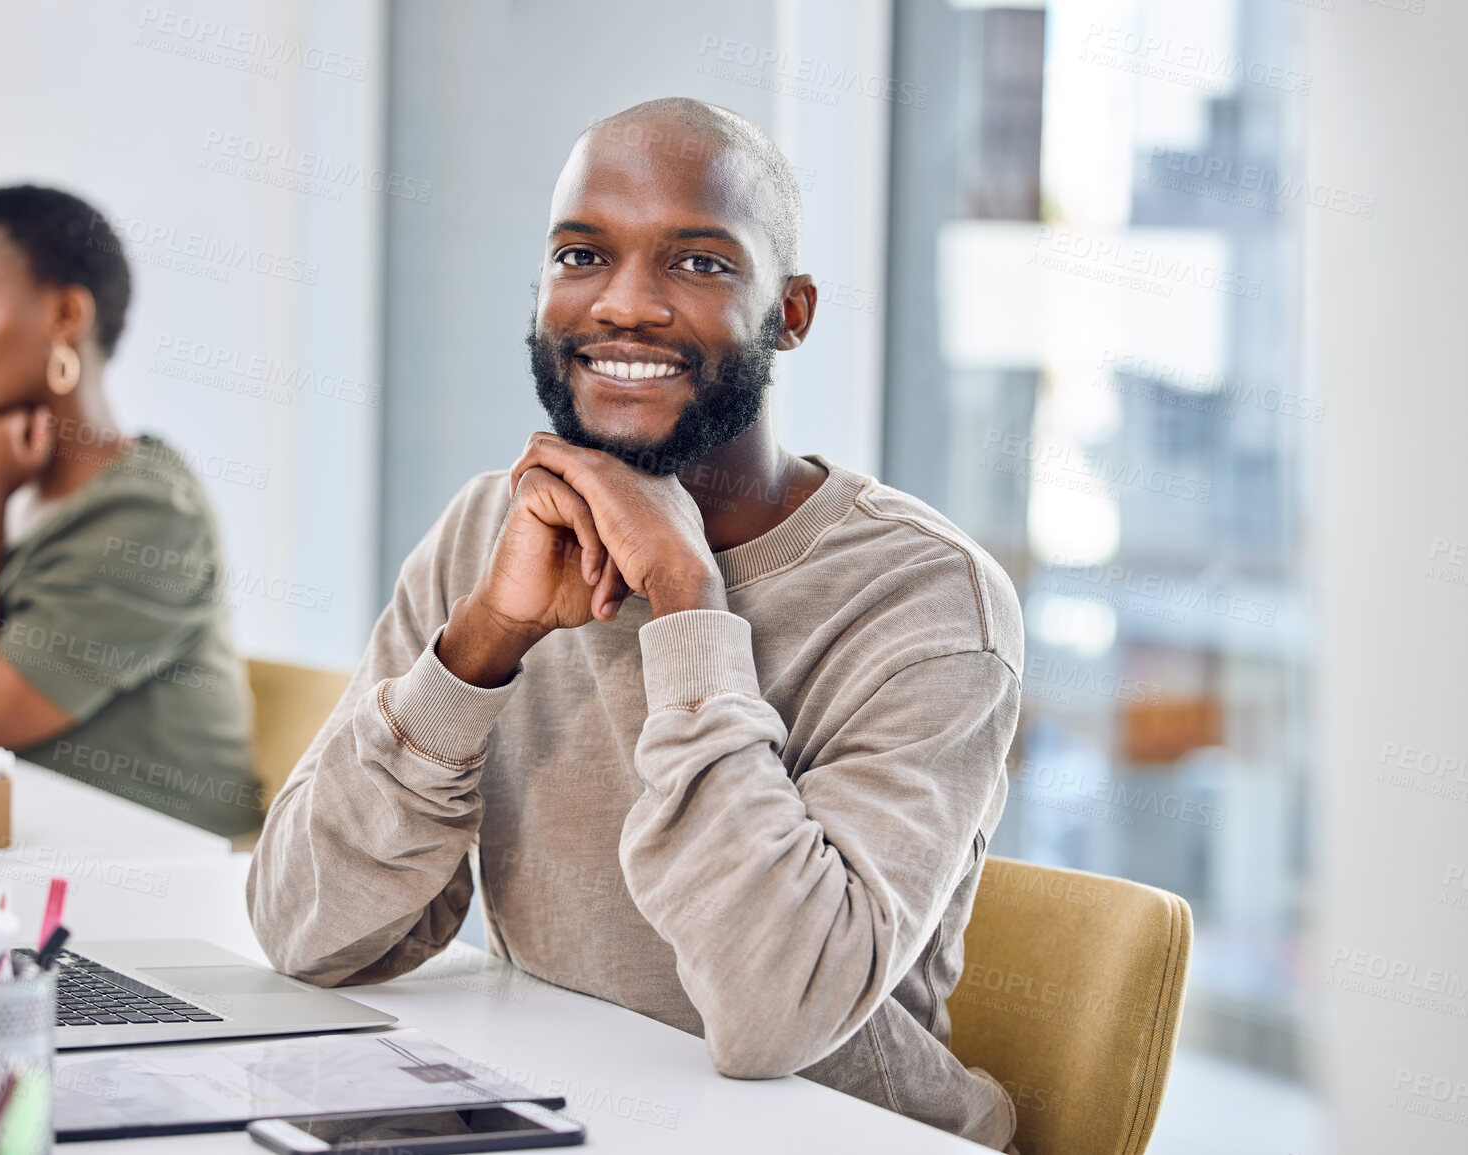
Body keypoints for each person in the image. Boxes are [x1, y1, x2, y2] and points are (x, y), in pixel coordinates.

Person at [247, 99, 1022, 1150]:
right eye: (581, 254)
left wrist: (691, 608)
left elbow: (771, 1020)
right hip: (570, 1114)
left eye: (699, 265)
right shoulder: (492, 528)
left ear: (790, 314)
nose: (625, 304)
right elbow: (305, 932)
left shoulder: (926, 598)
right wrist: (481, 646)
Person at [0, 184, 261, 836]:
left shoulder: (148, 515)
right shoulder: (25, 499)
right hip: (35, 865)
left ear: (66, 315)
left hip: (164, 888)